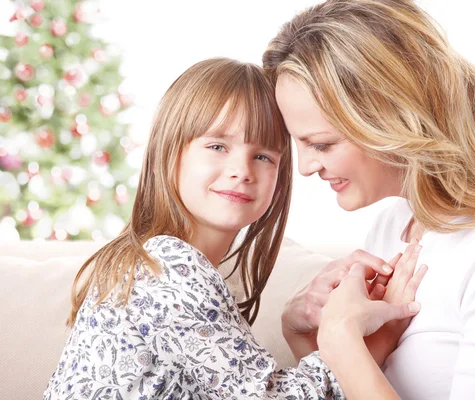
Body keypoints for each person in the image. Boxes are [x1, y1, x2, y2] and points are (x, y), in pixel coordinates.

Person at [263, 0, 475, 398]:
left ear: (392, 117)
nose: (305, 167)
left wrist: (341, 340)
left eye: (321, 143)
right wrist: (301, 332)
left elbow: (353, 363)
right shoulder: (395, 224)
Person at [43, 57, 425, 399]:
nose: (242, 171)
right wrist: (375, 338)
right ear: (168, 151)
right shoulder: (170, 267)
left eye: (262, 155)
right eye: (217, 147)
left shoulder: (150, 262)